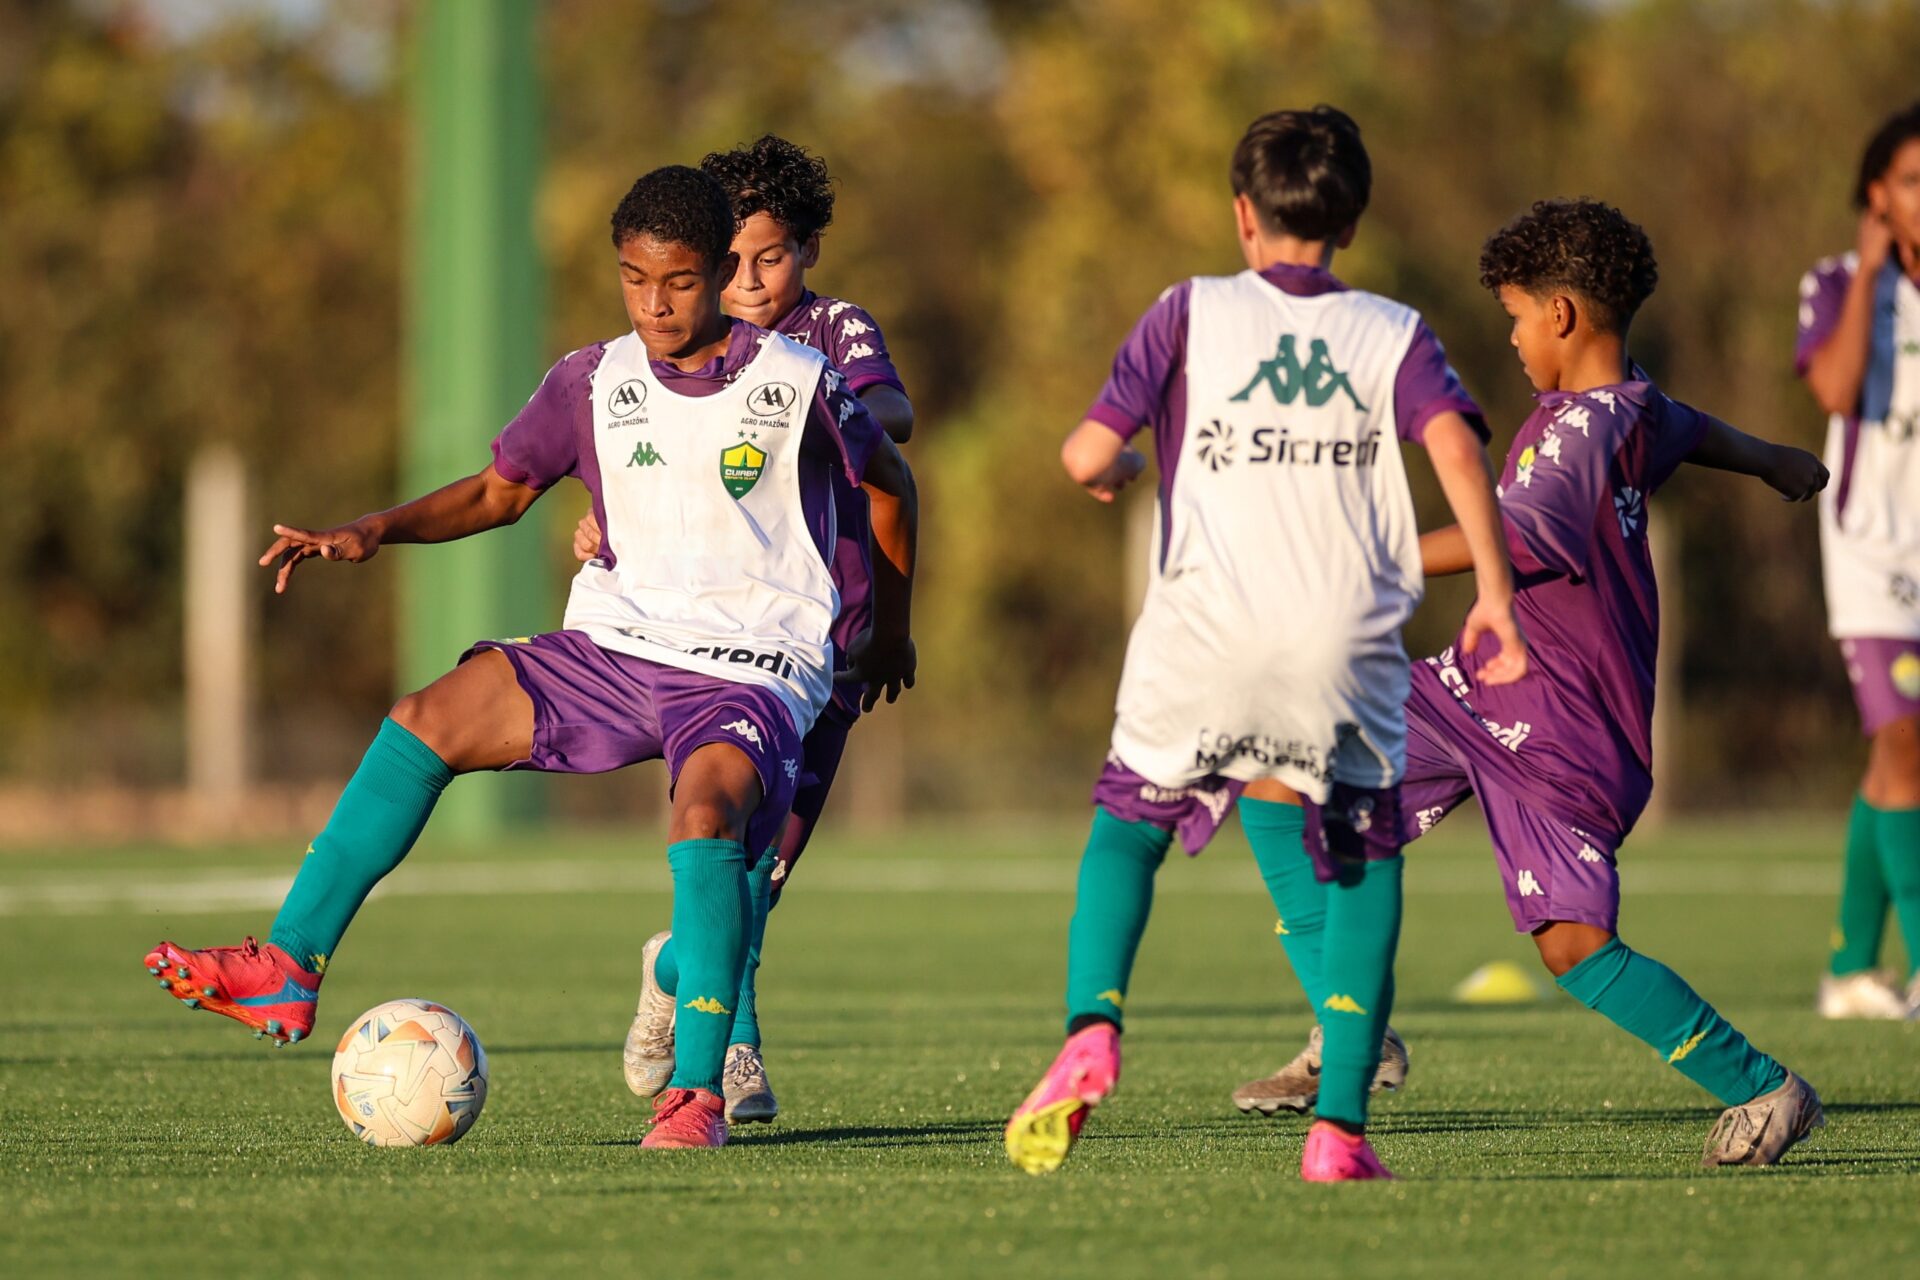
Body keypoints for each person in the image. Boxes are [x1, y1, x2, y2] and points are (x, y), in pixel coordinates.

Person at [142, 165, 919, 1152]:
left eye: (678, 282)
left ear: (718, 271)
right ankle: (288, 964)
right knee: (427, 716)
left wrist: (888, 629)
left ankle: (693, 1096)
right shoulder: (592, 380)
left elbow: (891, 482)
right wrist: (373, 528)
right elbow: (499, 490)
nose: (655, 303)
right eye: (635, 280)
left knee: (707, 813)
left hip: (750, 660)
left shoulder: (796, 380)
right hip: (616, 639)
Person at [1235, 198, 1829, 1168]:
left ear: (1559, 314)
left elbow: (1505, 537)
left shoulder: (1579, 436)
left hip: (1562, 728)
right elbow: (1693, 426)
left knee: (1573, 945)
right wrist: (1775, 460)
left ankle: (1764, 1086)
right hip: (1478, 688)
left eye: (1514, 316)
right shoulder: (1629, 406)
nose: (1509, 337)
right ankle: (1351, 1032)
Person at [1001, 106, 1528, 1183]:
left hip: (1204, 627)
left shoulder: (1188, 311)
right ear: (1350, 217)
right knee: (1365, 859)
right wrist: (1495, 593)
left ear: (1244, 215)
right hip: (1339, 639)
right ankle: (1337, 1127)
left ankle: (1092, 1025)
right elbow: (1462, 455)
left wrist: (1126, 469)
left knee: (1128, 826)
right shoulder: (1394, 330)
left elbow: (1085, 453)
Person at [573, 137, 917, 1124]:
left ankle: (672, 969)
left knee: (762, 872)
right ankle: (732, 1052)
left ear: (806, 250)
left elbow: (888, 411)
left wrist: (847, 413)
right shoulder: (681, 352)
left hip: (830, 644)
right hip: (710, 647)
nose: (748, 280)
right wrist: (601, 517)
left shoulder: (827, 337)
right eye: (734, 259)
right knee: (729, 852)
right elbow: (628, 462)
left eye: (771, 257)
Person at [1797, 101, 1920, 1019]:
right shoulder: (1839, 281)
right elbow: (1836, 390)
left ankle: (1847, 969)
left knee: (1895, 761)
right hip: (1873, 552)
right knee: (1907, 747)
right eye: (1914, 183)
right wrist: (1875, 273)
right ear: (1877, 195)